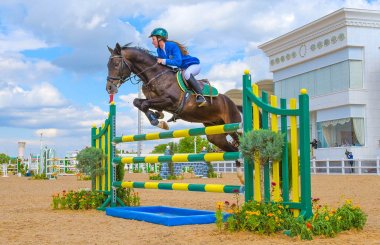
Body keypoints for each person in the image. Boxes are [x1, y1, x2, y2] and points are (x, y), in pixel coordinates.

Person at [149, 27, 207, 107]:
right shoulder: (159, 50)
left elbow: (178, 62)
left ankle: (201, 96)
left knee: (187, 74)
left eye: (153, 39)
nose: (152, 42)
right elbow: (162, 64)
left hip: (193, 65)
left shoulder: (172, 46)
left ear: (159, 39)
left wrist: (163, 61)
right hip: (182, 69)